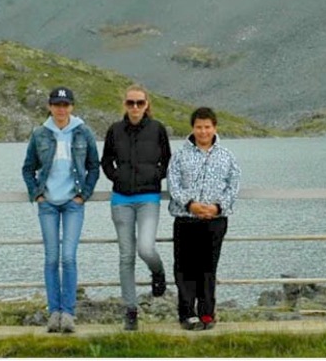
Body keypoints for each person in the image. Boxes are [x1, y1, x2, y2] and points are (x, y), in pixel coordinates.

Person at [21, 86, 100, 334]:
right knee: (51, 258)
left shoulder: (83, 132)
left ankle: (68, 313)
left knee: (68, 257)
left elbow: (94, 166)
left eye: (65, 105)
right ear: (50, 107)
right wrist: (38, 194)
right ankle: (53, 312)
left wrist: (83, 195)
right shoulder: (40, 134)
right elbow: (28, 168)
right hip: (48, 205)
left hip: (72, 204)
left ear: (72, 107)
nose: (61, 109)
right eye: (56, 105)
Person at [100, 84, 172, 331]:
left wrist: (155, 177)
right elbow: (106, 160)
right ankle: (130, 311)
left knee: (146, 248)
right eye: (130, 103)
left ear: (147, 104)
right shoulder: (114, 130)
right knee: (126, 255)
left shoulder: (157, 129)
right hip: (121, 199)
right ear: (124, 104)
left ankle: (158, 272)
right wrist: (116, 177)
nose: (135, 107)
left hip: (148, 198)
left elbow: (168, 160)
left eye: (139, 103)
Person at [167, 106, 241, 331]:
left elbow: (234, 184)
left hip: (215, 220)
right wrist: (191, 204)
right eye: (199, 127)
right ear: (193, 128)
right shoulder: (180, 155)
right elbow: (173, 183)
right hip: (186, 218)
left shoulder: (227, 156)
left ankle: (207, 313)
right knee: (185, 268)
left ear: (214, 128)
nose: (203, 131)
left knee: (208, 267)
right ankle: (187, 313)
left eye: (207, 127)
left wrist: (217, 208)